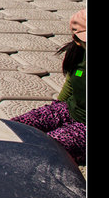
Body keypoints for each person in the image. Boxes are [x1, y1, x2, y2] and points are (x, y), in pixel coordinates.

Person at [10, 9, 86, 166]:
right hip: (71, 110)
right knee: (13, 127)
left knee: (44, 149)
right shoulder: (79, 55)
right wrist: (56, 110)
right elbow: (71, 85)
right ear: (77, 40)